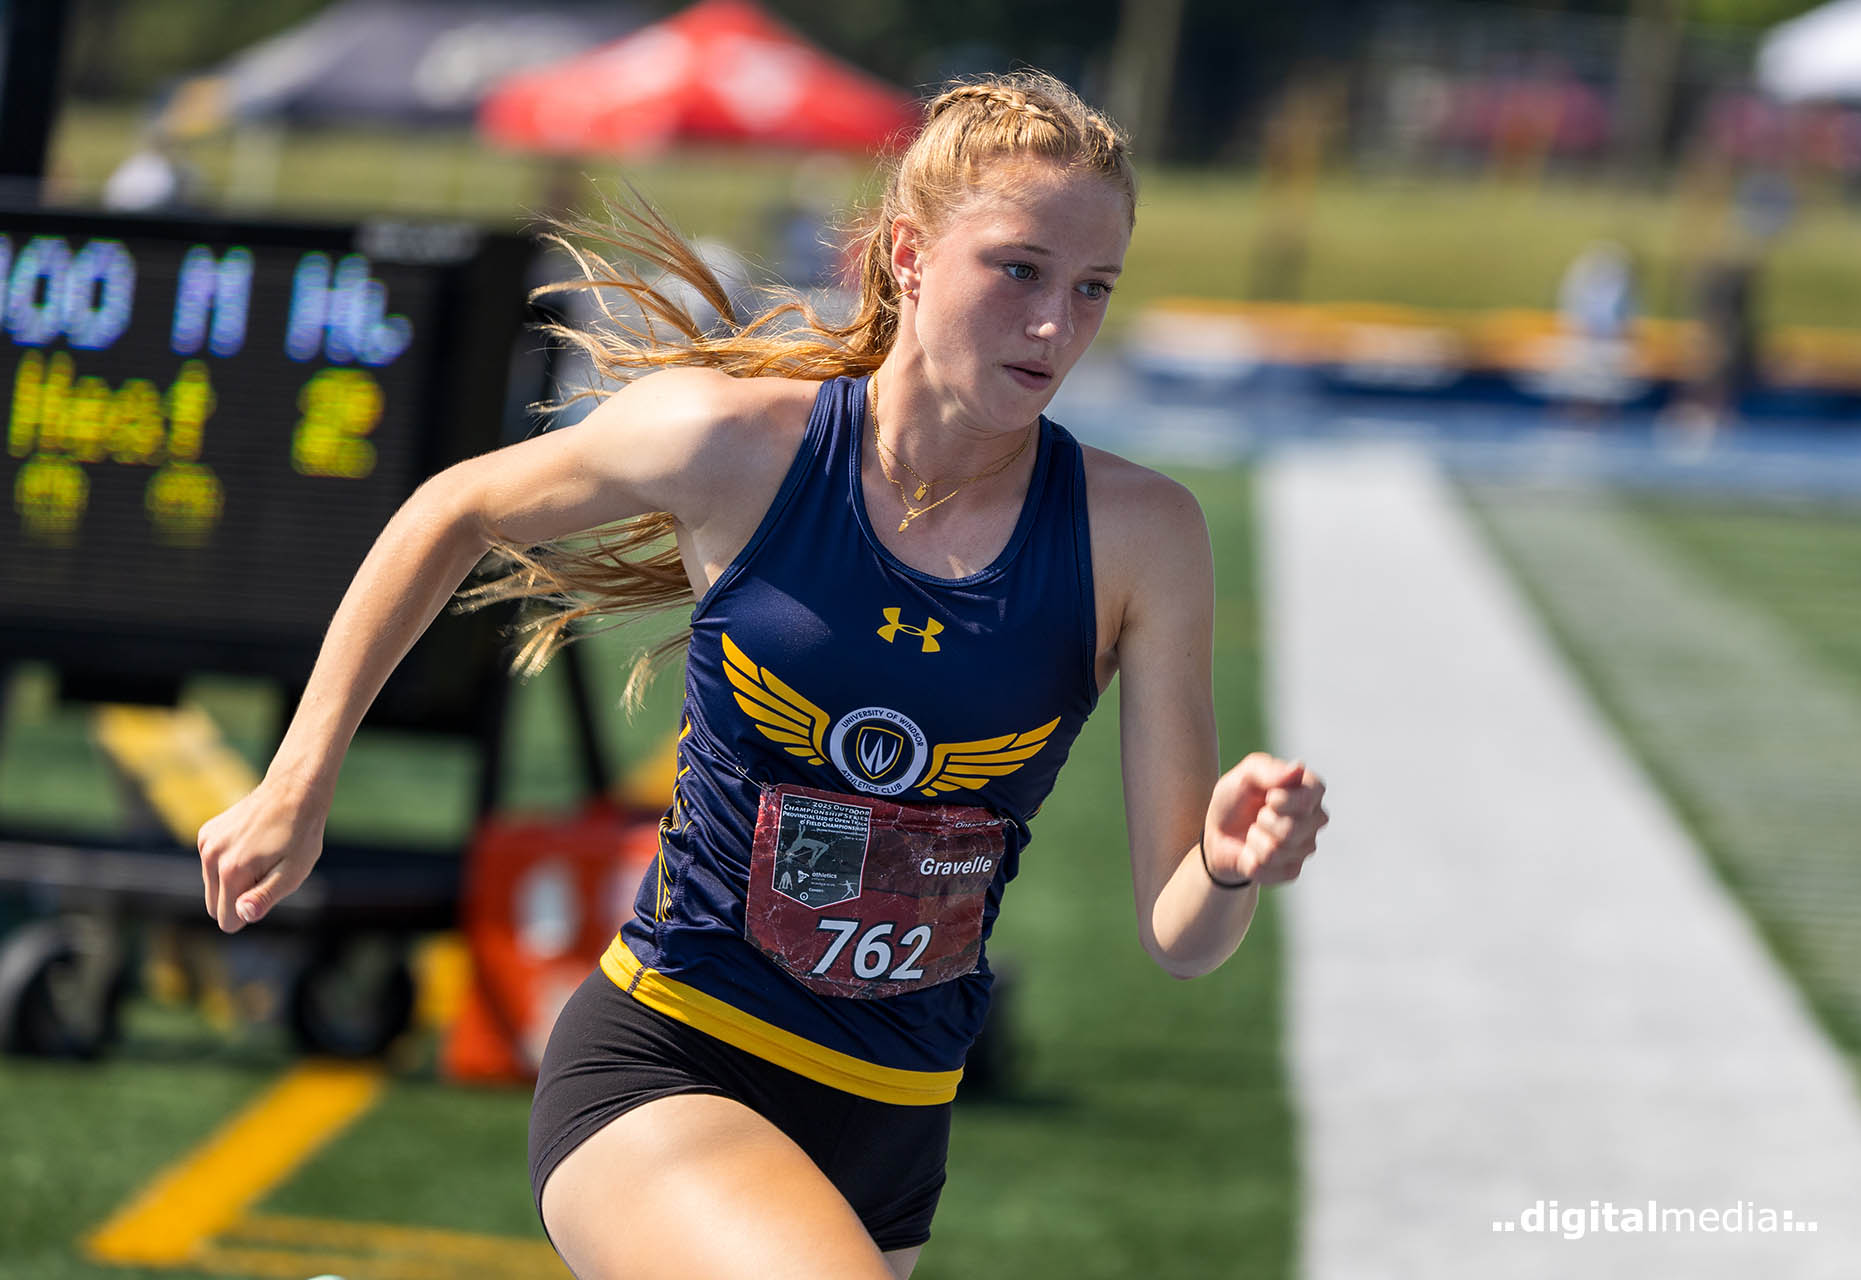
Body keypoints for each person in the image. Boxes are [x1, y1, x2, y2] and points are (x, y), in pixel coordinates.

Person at [197, 70, 1329, 1280]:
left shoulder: (1142, 533)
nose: (1057, 326)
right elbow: (454, 506)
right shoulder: (736, 445)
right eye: (1020, 270)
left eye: (1093, 287)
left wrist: (1226, 863)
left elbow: (1181, 937)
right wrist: (296, 783)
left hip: (895, 1120)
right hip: (674, 1057)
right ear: (908, 255)